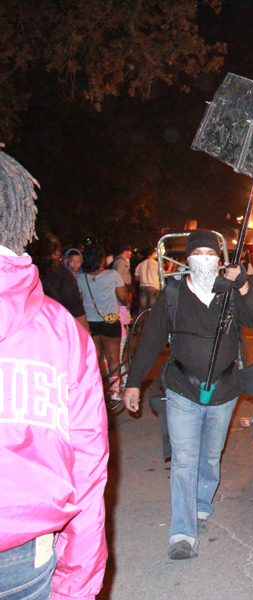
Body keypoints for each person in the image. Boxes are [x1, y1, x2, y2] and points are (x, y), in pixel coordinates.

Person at [0, 149, 109, 600]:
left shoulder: (62, 328)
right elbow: (87, 468)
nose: (77, 263)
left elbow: (86, 466)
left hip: (22, 559)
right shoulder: (60, 302)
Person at [123, 230, 253, 559]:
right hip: (182, 389)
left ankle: (202, 504)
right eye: (197, 252)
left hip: (225, 389)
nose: (204, 258)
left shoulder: (230, 292)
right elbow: (150, 340)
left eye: (209, 252)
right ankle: (182, 533)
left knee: (209, 456)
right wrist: (134, 381)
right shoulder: (173, 294)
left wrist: (244, 285)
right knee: (184, 460)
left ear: (218, 258)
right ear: (187, 258)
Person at [78, 245, 128, 404]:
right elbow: (123, 296)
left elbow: (79, 300)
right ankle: (115, 392)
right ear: (101, 259)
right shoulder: (112, 275)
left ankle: (94, 390)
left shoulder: (80, 278)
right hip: (111, 320)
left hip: (90, 322)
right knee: (113, 357)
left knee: (94, 358)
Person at [42, 245, 89, 331]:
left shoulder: (81, 276)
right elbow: (75, 303)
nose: (76, 264)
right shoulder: (64, 275)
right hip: (61, 319)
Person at [134, 248, 161, 314]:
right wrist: (170, 267)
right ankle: (153, 323)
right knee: (153, 308)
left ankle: (142, 323)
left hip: (143, 286)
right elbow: (164, 275)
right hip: (153, 287)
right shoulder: (156, 264)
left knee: (142, 308)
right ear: (153, 254)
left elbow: (136, 278)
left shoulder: (140, 264)